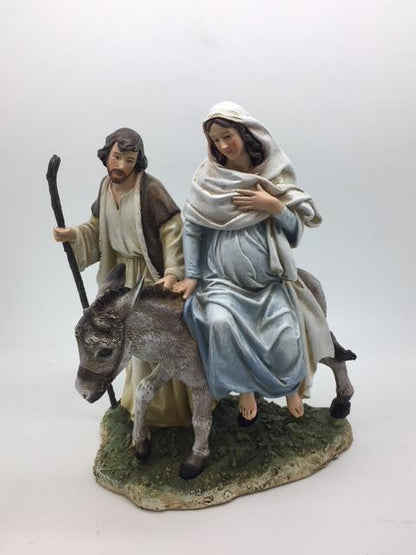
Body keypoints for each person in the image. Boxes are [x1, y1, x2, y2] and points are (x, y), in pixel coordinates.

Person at [173, 102, 334, 425]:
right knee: (219, 323)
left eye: (227, 136)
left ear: (246, 133)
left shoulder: (273, 176)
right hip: (222, 284)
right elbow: (192, 228)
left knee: (286, 332)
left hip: (267, 284)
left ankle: (291, 386)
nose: (223, 145)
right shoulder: (208, 180)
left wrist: (273, 205)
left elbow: (294, 233)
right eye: (215, 140)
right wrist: (191, 275)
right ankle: (244, 387)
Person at [54, 128, 192, 427]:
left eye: (130, 160)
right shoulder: (106, 187)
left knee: (153, 343)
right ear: (107, 155)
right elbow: (97, 227)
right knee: (124, 344)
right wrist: (73, 235)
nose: (121, 165)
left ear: (138, 161)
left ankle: (165, 413)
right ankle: (137, 404)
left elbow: (173, 230)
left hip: (149, 278)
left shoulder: (151, 190)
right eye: (117, 157)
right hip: (120, 278)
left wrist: (172, 273)